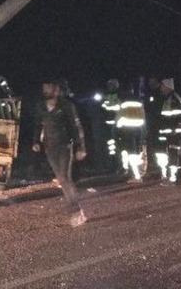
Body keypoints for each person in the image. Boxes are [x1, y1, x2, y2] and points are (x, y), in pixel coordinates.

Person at [31, 78, 88, 227]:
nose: (45, 90)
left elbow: (76, 127)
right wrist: (36, 141)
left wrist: (81, 147)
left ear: (56, 89)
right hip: (50, 147)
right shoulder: (40, 107)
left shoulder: (66, 106)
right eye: (44, 87)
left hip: (65, 146)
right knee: (61, 179)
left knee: (64, 178)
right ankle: (76, 210)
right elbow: (38, 125)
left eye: (48, 87)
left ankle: (76, 211)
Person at [158, 78, 181, 185]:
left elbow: (177, 116)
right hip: (171, 132)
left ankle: (174, 178)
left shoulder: (174, 98)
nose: (161, 88)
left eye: (162, 86)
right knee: (176, 154)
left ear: (167, 86)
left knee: (174, 154)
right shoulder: (168, 98)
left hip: (174, 132)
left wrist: (175, 130)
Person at [116, 83, 146, 183]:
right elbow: (143, 117)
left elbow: (119, 119)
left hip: (127, 131)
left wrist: (117, 129)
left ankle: (136, 176)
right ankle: (138, 174)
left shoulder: (123, 103)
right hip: (139, 130)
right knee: (137, 153)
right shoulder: (138, 101)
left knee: (131, 154)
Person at [144, 77, 165, 180]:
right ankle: (158, 170)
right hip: (153, 125)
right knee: (155, 149)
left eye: (152, 82)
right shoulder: (152, 94)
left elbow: (157, 110)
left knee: (161, 149)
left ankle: (162, 171)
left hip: (159, 125)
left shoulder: (160, 94)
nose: (150, 84)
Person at [100, 79, 122, 173]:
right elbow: (103, 108)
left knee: (117, 145)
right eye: (109, 85)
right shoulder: (106, 96)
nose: (110, 87)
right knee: (110, 146)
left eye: (111, 85)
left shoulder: (119, 95)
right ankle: (112, 165)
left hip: (117, 124)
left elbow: (119, 108)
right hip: (108, 124)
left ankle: (119, 165)